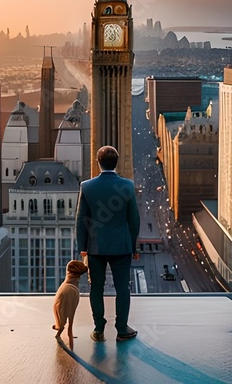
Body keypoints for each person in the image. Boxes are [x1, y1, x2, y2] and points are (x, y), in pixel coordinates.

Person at [76, 145, 141, 342]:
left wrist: (83, 248)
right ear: (116, 163)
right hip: (121, 247)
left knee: (96, 287)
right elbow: (134, 220)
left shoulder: (87, 186)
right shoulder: (128, 186)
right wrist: (134, 246)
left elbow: (81, 220)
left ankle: (98, 329)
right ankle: (122, 329)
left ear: (98, 162)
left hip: (96, 247)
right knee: (123, 287)